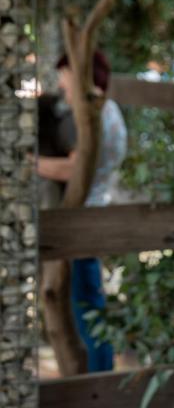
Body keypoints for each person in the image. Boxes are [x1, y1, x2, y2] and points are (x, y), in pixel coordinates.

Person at [37, 51, 128, 372]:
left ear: (81, 75)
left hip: (83, 220)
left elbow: (72, 170)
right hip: (96, 212)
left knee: (88, 309)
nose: (62, 84)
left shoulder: (92, 113)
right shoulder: (110, 109)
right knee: (89, 306)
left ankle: (97, 384)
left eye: (65, 74)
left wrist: (29, 163)